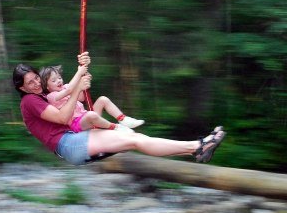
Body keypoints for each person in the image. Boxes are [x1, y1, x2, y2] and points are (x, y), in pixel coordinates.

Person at [12, 53, 226, 166]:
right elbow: (62, 117)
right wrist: (77, 86)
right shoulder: (29, 101)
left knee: (136, 139)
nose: (35, 84)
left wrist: (82, 67)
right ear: (22, 87)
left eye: (35, 79)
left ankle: (197, 148)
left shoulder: (41, 95)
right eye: (29, 83)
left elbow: (68, 94)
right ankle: (198, 146)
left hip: (77, 138)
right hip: (70, 144)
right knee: (135, 140)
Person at [38, 62, 144, 133]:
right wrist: (79, 73)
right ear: (47, 86)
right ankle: (115, 127)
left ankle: (123, 119)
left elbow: (81, 97)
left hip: (87, 116)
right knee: (91, 115)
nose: (59, 81)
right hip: (77, 124)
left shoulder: (65, 87)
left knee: (103, 99)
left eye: (59, 77)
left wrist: (85, 78)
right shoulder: (52, 96)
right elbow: (70, 89)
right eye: (54, 80)